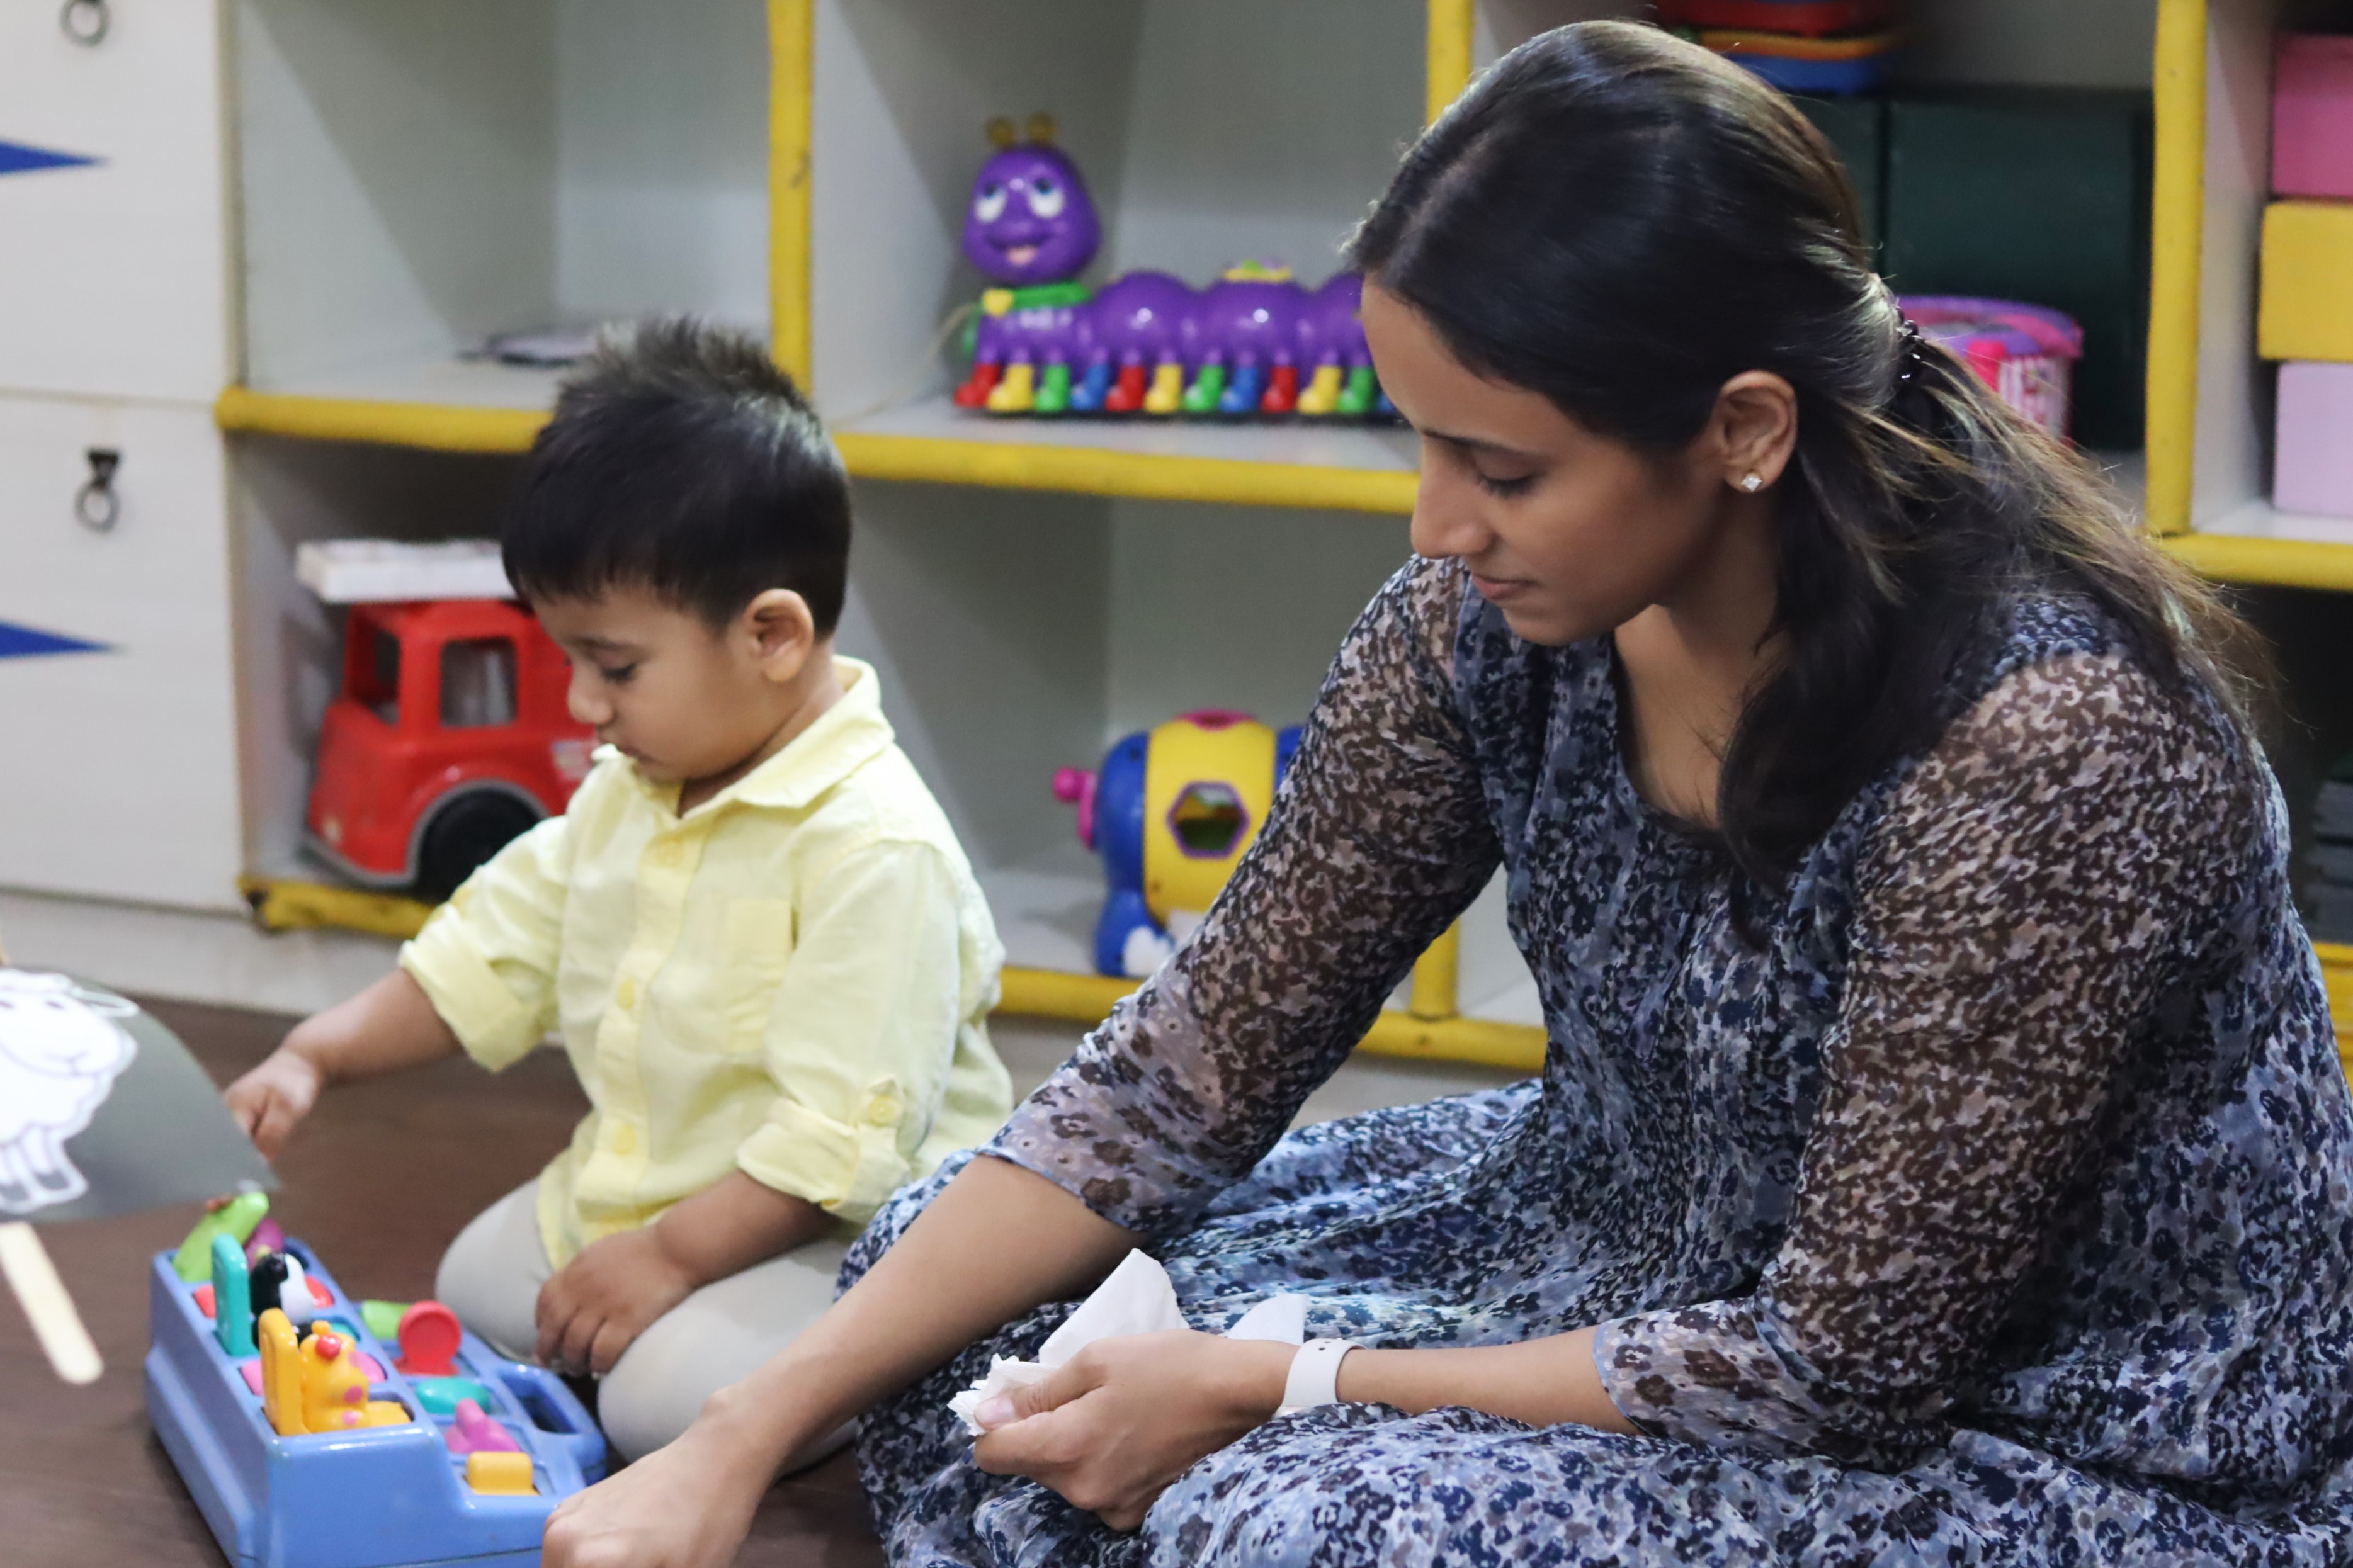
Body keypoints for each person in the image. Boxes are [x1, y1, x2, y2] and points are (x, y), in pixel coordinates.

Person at [543, 23, 2353, 1567]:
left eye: (1499, 464)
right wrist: (740, 1430)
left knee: (1311, 1517)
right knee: (951, 1303)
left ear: (1741, 429)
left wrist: (1277, 1378)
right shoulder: (1484, 627)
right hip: (1622, 1235)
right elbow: (1187, 1067)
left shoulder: (2050, 746)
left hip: (2050, 1425)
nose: (1434, 521)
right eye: (1421, 439)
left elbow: (1843, 1362)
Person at [224, 320, 1012, 1464]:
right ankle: (669, 1316)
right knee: (477, 1295)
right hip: (665, 1190)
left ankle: (899, 1359)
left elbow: (837, 1154)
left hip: (844, 1230)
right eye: (569, 661)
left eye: (615, 667)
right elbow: (488, 955)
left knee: (659, 1411)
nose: (583, 706)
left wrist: (670, 1259)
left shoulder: (876, 850)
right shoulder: (631, 791)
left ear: (772, 636)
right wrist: (316, 1053)